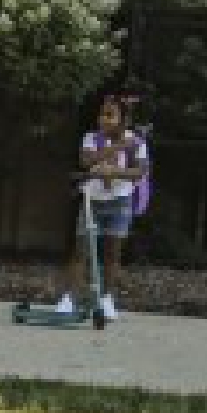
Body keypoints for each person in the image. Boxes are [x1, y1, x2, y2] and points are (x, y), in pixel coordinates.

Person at [53, 92, 148, 322]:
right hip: (91, 200)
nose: (103, 119)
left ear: (124, 120)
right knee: (81, 250)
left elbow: (140, 171)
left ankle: (107, 299)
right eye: (101, 114)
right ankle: (70, 298)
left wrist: (114, 171)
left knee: (112, 254)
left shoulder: (137, 142)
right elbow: (86, 161)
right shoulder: (90, 138)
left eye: (110, 115)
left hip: (120, 201)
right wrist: (115, 148)